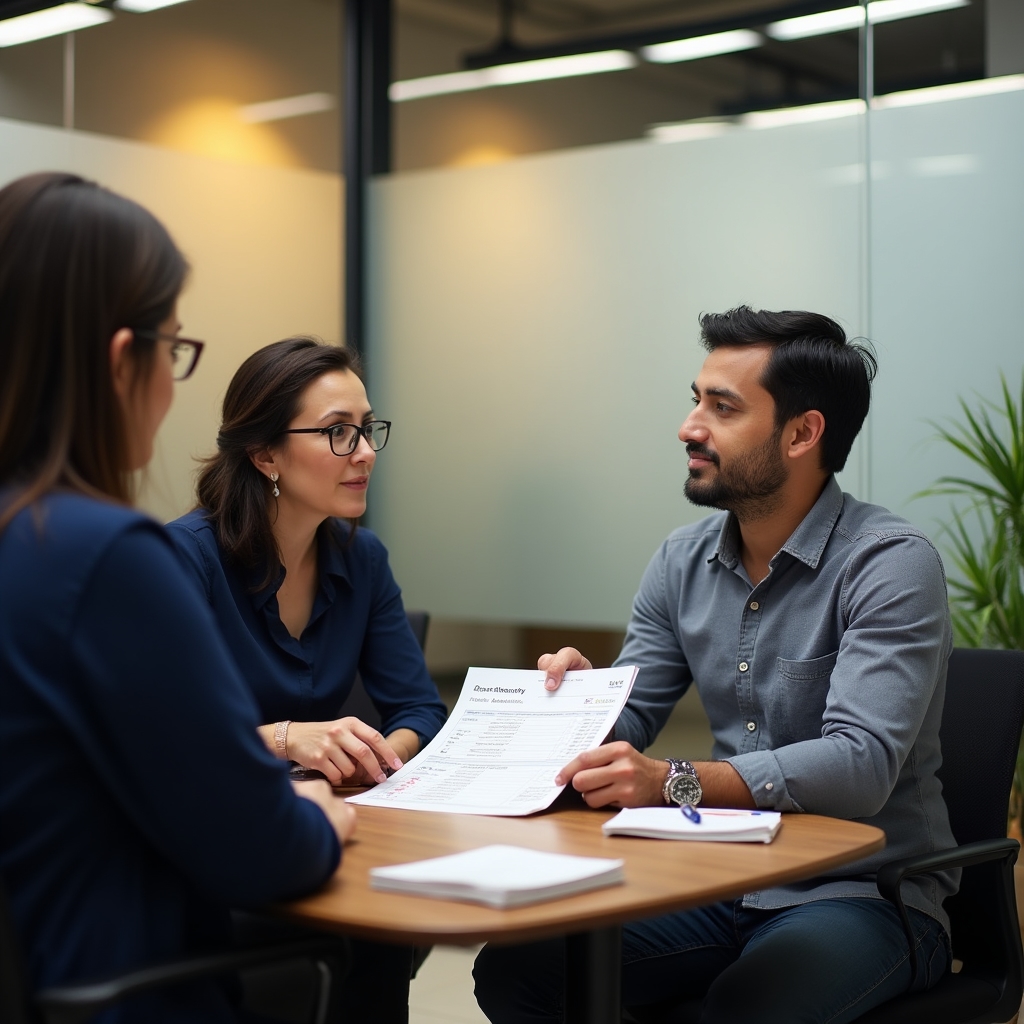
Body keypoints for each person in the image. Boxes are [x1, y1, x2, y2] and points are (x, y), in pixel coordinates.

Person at [473, 307, 957, 1024]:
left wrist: (675, 782)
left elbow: (861, 763)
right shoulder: (682, 559)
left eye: (721, 408)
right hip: (725, 879)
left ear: (802, 433)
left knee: (749, 1006)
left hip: (867, 893)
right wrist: (574, 703)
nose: (689, 426)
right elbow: (633, 715)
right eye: (696, 398)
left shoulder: (889, 564)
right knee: (523, 969)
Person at [0, 172, 355, 1024]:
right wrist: (314, 814)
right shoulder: (104, 557)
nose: (170, 385)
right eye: (173, 351)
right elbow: (261, 850)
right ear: (124, 360)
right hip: (117, 994)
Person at [166, 337, 447, 1021]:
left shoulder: (362, 558)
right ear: (264, 455)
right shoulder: (181, 560)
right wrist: (287, 739)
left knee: (385, 917)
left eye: (367, 428)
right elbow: (168, 742)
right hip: (208, 849)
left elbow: (420, 709)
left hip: (328, 826)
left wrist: (378, 754)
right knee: (361, 930)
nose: (365, 452)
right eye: (337, 433)